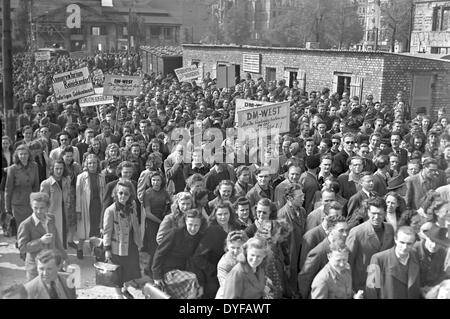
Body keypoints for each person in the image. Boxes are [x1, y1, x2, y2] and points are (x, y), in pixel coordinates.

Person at [152, 209, 206, 299]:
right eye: (190, 225)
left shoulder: (200, 237)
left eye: (196, 225)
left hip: (187, 270)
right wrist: (156, 276)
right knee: (192, 279)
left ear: (201, 225)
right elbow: (159, 253)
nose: (193, 228)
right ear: (185, 222)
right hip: (169, 272)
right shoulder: (175, 233)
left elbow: (199, 260)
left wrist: (201, 283)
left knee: (196, 286)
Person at [191, 200, 240, 298]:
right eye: (219, 214)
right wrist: (212, 270)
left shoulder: (235, 227)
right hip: (214, 275)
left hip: (234, 269)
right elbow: (197, 257)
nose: (223, 217)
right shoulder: (212, 231)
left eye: (226, 213)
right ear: (215, 215)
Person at [103, 179, 143, 299]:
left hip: (131, 243)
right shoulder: (110, 210)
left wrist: (139, 242)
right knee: (118, 272)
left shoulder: (132, 206)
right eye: (120, 193)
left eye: (126, 194)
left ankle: (125, 289)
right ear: (116, 193)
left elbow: (135, 225)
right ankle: (118, 294)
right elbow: (107, 231)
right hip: (117, 246)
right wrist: (107, 249)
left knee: (129, 268)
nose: (123, 196)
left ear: (130, 195)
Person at [346, 197, 395, 292]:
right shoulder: (357, 232)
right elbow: (348, 261)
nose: (376, 217)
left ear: (385, 213)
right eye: (373, 213)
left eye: (380, 214)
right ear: (368, 212)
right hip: (362, 283)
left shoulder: (390, 229)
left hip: (384, 282)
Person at [17, 192, 67, 281]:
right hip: (35, 269)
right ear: (31, 206)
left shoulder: (51, 219)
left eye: (42, 208)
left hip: (51, 266)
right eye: (35, 208)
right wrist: (41, 241)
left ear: (47, 207)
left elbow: (57, 241)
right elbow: (23, 248)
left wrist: (64, 258)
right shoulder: (26, 225)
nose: (39, 211)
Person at [298, 216, 348, 299]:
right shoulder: (318, 252)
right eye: (341, 231)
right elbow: (304, 279)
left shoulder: (342, 249)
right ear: (330, 231)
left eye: (346, 230)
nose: (345, 234)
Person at [366, 226, 421, 299]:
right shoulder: (377, 258)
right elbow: (370, 288)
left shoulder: (416, 255)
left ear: (414, 243)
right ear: (395, 239)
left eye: (409, 244)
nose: (404, 247)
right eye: (402, 242)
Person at [277, 183, 307, 296]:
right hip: (289, 259)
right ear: (289, 198)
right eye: (300, 197)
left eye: (303, 195)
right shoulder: (282, 216)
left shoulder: (303, 211)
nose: (303, 198)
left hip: (300, 255)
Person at [75, 154, 106, 259]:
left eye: (94, 163)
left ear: (97, 164)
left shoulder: (101, 176)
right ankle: (79, 249)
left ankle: (97, 252)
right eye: (90, 163)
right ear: (86, 164)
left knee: (96, 230)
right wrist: (78, 210)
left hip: (98, 206)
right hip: (85, 206)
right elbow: (78, 194)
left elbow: (104, 193)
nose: (92, 165)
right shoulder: (81, 177)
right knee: (84, 231)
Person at [142, 171, 171, 277]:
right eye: (153, 180)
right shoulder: (147, 193)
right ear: (150, 181)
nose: (156, 182)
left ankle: (158, 268)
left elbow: (170, 204)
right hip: (152, 223)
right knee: (153, 248)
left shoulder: (164, 192)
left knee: (163, 246)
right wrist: (161, 222)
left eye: (158, 180)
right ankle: (149, 269)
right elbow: (148, 214)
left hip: (163, 220)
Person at [5, 145, 40, 230]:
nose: (23, 156)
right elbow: (8, 190)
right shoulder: (12, 169)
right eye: (21, 154)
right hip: (17, 205)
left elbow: (36, 186)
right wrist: (7, 208)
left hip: (30, 204)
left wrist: (37, 202)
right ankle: (19, 243)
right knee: (20, 229)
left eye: (25, 154)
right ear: (17, 155)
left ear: (29, 155)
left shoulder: (34, 166)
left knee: (31, 229)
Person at [40, 159, 71, 249]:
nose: (59, 171)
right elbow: (42, 203)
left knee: (63, 236)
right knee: (52, 237)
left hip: (64, 212)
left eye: (61, 168)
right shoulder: (46, 183)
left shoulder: (66, 180)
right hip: (52, 215)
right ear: (52, 169)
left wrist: (68, 205)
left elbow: (68, 194)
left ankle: (61, 256)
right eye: (56, 168)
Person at [414, 222, 450, 288]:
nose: (434, 246)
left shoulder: (442, 252)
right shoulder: (414, 250)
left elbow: (441, 273)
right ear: (426, 238)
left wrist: (434, 288)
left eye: (438, 243)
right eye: (432, 241)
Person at [215, 230, 248, 299]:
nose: (235, 251)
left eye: (239, 248)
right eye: (232, 247)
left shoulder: (250, 257)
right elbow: (228, 287)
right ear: (227, 246)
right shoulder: (223, 264)